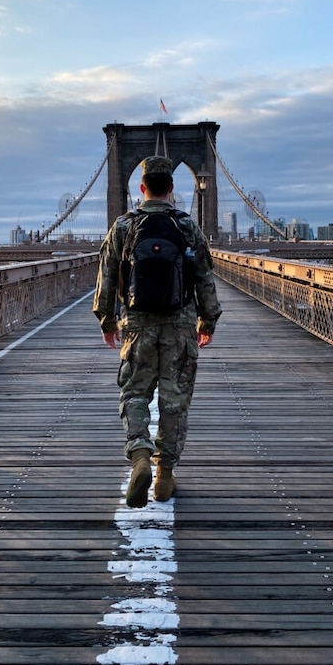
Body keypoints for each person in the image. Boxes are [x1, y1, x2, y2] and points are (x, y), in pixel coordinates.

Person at [93, 155, 222, 508]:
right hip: (181, 327)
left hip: (137, 326)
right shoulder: (186, 226)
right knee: (174, 401)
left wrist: (106, 322)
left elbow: (105, 278)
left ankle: (138, 454)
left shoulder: (123, 226)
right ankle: (164, 476)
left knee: (134, 393)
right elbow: (205, 279)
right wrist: (207, 322)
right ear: (172, 188)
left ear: (141, 187)